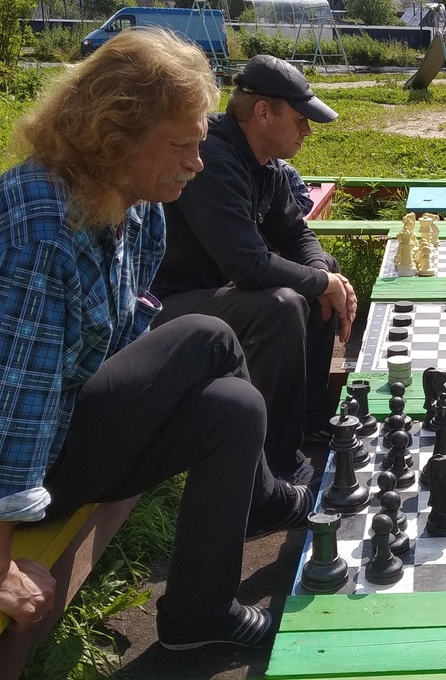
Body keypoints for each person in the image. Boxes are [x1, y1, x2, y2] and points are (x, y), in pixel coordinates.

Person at [0, 28, 312, 651]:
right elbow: (5, 409)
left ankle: (197, 615)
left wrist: (153, 405)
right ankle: (268, 499)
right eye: (180, 146)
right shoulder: (40, 233)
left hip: (59, 422)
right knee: (208, 336)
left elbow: (125, 333)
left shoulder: (135, 203)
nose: (197, 164)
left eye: (199, 144)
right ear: (112, 139)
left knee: (235, 408)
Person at [152, 54, 358, 482]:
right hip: (165, 309)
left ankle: (310, 416)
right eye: (301, 119)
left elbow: (296, 234)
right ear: (263, 113)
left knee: (324, 271)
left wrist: (327, 277)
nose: (307, 130)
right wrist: (321, 282)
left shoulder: (268, 166)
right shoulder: (210, 158)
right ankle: (276, 469)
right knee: (280, 305)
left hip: (218, 294)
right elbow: (247, 266)